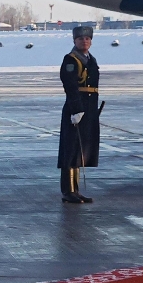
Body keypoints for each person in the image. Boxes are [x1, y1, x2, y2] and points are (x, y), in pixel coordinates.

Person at [58, 25, 101, 204]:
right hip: (76, 108)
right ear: (74, 41)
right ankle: (68, 191)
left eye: (87, 38)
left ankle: (75, 191)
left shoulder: (91, 59)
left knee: (80, 150)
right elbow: (70, 85)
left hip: (88, 108)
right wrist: (76, 110)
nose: (85, 41)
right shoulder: (71, 59)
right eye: (81, 39)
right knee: (70, 149)